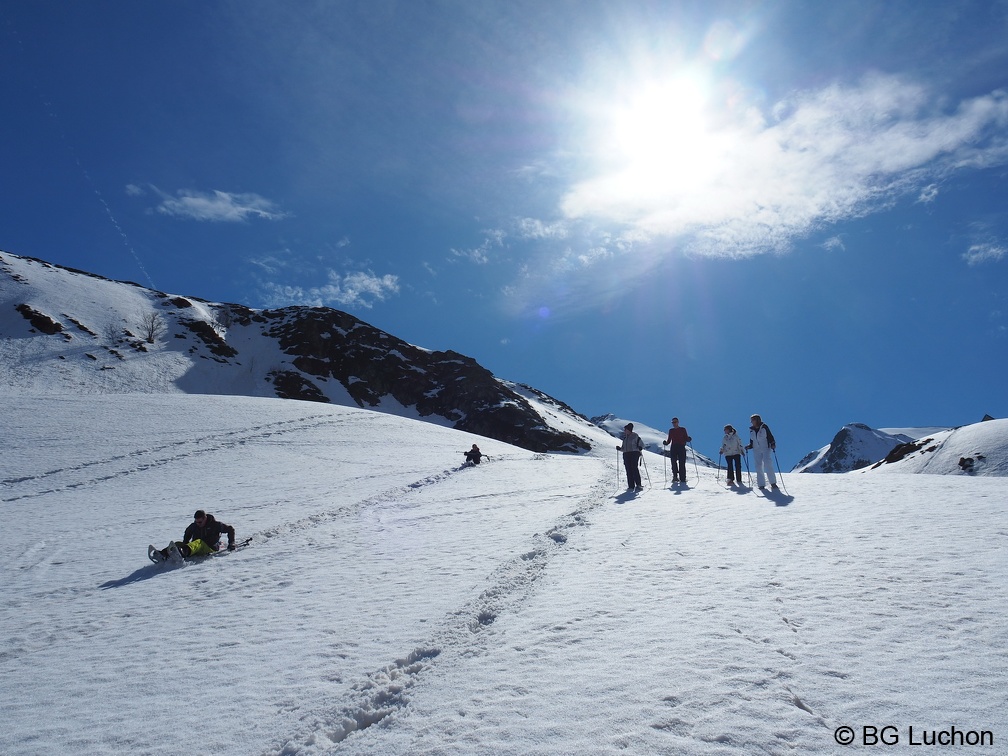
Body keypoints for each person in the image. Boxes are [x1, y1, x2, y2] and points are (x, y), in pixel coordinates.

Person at [150, 509, 236, 563]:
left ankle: (182, 552)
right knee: (177, 543)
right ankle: (163, 554)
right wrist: (185, 543)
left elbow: (230, 529)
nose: (198, 524)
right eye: (196, 522)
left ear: (205, 518)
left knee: (199, 542)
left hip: (210, 547)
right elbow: (187, 532)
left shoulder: (215, 525)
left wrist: (231, 543)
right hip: (195, 547)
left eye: (200, 522)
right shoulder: (194, 525)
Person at [745, 414, 778, 489]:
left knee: (767, 464)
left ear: (757, 420)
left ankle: (773, 483)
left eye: (752, 420)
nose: (751, 422)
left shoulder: (764, 427)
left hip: (765, 448)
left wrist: (773, 443)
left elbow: (770, 436)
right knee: (758, 466)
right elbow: (752, 441)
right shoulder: (751, 430)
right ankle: (761, 484)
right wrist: (749, 446)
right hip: (756, 450)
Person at [662, 417, 692, 483]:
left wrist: (688, 439)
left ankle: (682, 478)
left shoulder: (682, 429)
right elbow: (669, 440)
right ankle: (675, 476)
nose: (674, 423)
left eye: (675, 422)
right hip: (674, 447)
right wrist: (666, 443)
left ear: (678, 422)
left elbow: (686, 437)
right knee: (673, 462)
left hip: (680, 447)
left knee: (681, 462)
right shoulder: (671, 431)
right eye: (673, 422)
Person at [617, 422, 644, 491]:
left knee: (634, 468)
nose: (624, 431)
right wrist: (620, 449)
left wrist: (640, 447)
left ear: (629, 430)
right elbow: (623, 448)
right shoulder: (625, 438)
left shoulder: (635, 436)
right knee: (628, 469)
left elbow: (641, 444)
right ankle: (631, 486)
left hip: (634, 453)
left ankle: (638, 484)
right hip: (626, 454)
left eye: (625, 429)